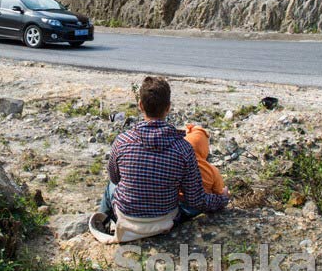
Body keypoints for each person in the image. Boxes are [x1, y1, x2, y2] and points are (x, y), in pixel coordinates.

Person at [93, 77, 229, 243]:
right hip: (164, 221)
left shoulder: (122, 141)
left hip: (127, 218)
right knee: (189, 204)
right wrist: (222, 198)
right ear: (168, 108)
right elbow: (196, 199)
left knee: (110, 187)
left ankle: (104, 223)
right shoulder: (183, 149)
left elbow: (115, 179)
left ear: (140, 106)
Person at [184, 124, 227, 196]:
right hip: (205, 204)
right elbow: (219, 192)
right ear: (204, 147)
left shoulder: (178, 165)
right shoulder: (212, 171)